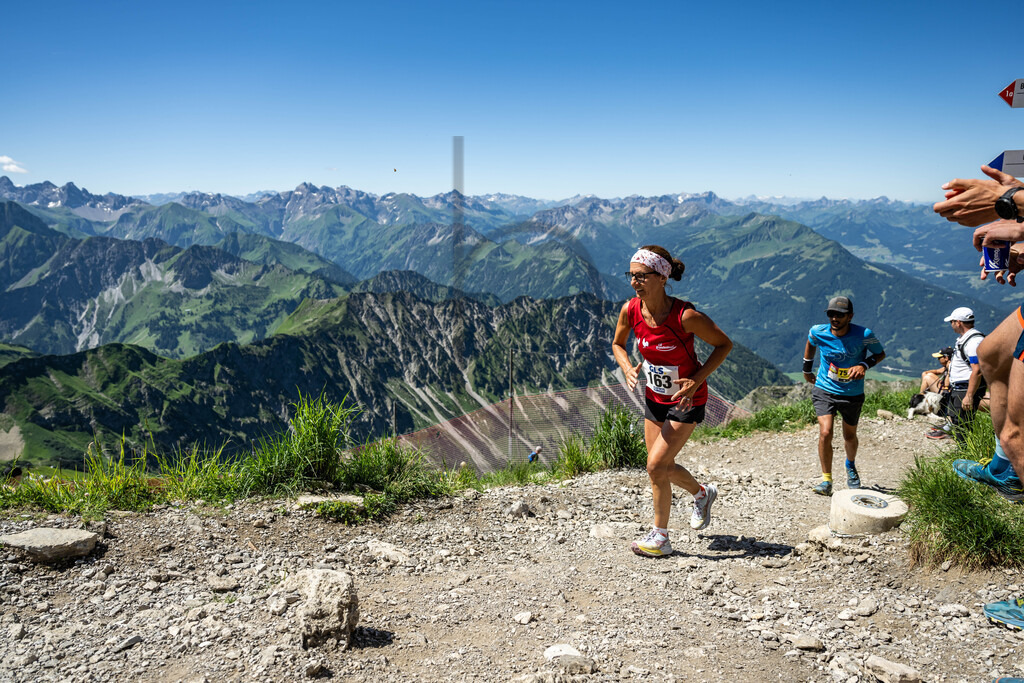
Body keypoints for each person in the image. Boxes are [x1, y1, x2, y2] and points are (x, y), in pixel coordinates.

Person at [612, 245, 733, 557]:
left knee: (655, 465)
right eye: (631, 275)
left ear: (662, 278)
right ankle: (701, 494)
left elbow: (724, 345)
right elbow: (618, 343)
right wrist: (627, 367)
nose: (634, 282)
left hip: (685, 400)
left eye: (642, 276)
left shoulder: (685, 316)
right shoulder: (630, 310)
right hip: (654, 397)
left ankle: (660, 538)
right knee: (660, 468)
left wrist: (696, 379)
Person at [802, 296, 886, 496]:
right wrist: (806, 369)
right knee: (825, 432)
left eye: (840, 315)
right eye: (831, 314)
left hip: (852, 393)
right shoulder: (818, 331)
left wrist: (863, 365)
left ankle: (850, 464)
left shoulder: (864, 335)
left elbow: (880, 354)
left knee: (849, 436)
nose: (834, 318)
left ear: (850, 316)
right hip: (824, 388)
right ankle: (826, 480)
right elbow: (811, 342)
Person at [926, 308, 985, 442]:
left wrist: (969, 396)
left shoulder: (973, 342)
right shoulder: (965, 339)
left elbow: (977, 370)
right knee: (957, 421)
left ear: (958, 323)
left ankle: (965, 451)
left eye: (951, 322)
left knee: (963, 425)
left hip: (965, 388)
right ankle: (961, 448)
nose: (951, 325)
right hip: (959, 387)